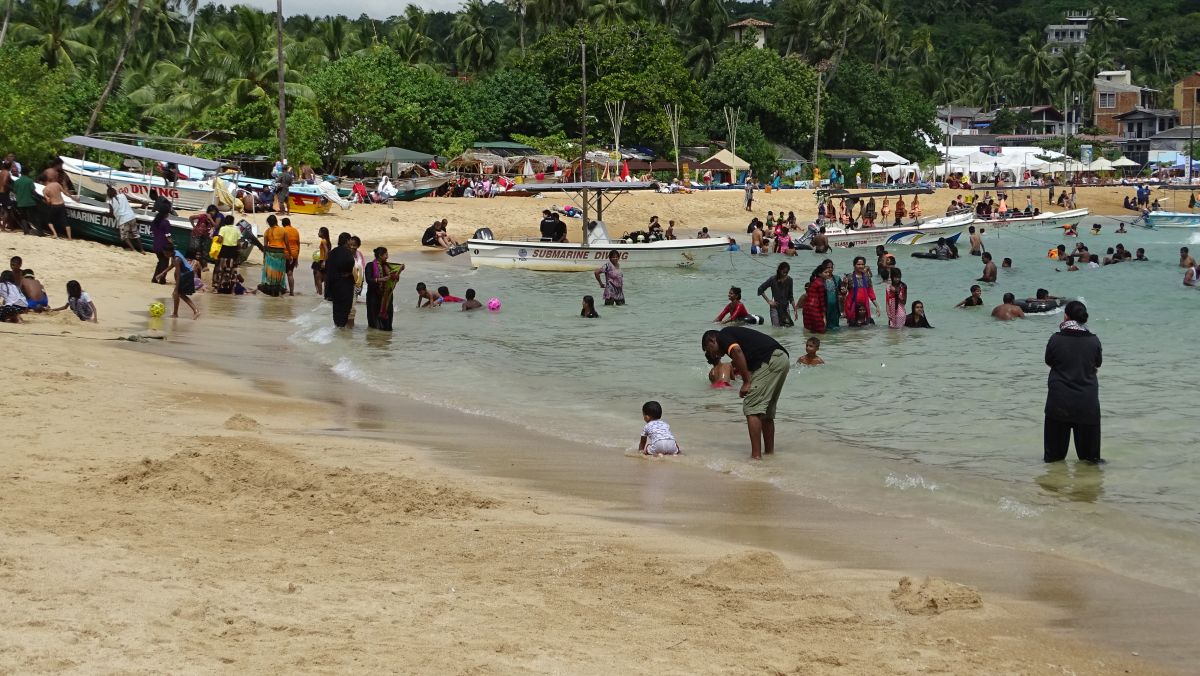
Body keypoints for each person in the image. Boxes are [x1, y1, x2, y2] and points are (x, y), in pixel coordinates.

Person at [701, 327, 790, 460]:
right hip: (781, 359)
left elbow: (736, 351)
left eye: (708, 349)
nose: (712, 354)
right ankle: (769, 454)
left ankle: (756, 457)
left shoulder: (723, 335)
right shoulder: (732, 336)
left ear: (712, 340)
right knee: (766, 412)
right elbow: (743, 354)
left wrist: (747, 382)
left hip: (770, 360)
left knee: (751, 408)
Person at [1044, 301, 1103, 464]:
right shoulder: (1093, 340)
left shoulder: (1055, 339)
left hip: (1058, 403)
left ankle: (1050, 489)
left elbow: (1049, 361)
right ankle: (1087, 489)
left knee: (1053, 460)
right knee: (1091, 462)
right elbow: (1097, 364)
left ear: (1066, 316)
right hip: (1087, 404)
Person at [365, 247, 402, 330]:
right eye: (386, 254)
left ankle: (385, 339)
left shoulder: (388, 266)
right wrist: (380, 279)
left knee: (387, 324)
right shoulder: (370, 265)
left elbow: (393, 278)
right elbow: (368, 280)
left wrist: (396, 275)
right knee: (374, 322)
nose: (387, 257)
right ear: (380, 255)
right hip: (373, 297)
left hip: (387, 297)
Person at [325, 232, 356, 327]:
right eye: (350, 240)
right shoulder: (347, 253)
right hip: (345, 284)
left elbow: (328, 269)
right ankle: (342, 331)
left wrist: (328, 290)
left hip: (334, 284)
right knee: (345, 308)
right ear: (347, 241)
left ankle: (338, 329)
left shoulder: (332, 253)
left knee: (337, 308)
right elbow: (350, 263)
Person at [161, 247, 199, 319]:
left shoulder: (177, 259)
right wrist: (163, 273)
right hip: (186, 274)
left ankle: (195, 311)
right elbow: (172, 265)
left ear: (170, 252)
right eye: (164, 253)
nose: (165, 255)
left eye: (166, 253)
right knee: (178, 294)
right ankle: (175, 313)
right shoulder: (175, 253)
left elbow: (178, 275)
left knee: (179, 294)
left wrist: (176, 288)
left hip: (186, 275)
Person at [258, 214, 288, 296]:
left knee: (269, 271)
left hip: (270, 253)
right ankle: (278, 287)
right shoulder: (283, 230)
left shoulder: (267, 231)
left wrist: (264, 256)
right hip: (280, 253)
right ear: (276, 221)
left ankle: (269, 287)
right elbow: (287, 243)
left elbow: (265, 246)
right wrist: (289, 254)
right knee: (279, 271)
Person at [757, 262, 795, 327]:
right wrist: (769, 301)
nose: (785, 274)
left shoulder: (790, 280)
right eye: (784, 272)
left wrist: (795, 309)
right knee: (776, 328)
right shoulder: (773, 279)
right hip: (774, 307)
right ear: (780, 270)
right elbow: (760, 289)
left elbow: (791, 296)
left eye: (787, 272)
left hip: (785, 308)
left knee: (788, 328)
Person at [109, 186, 144, 254]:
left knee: (125, 237)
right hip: (131, 216)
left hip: (123, 219)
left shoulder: (110, 201)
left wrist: (107, 213)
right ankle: (142, 250)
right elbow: (133, 199)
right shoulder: (122, 195)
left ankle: (133, 249)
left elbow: (111, 213)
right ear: (115, 192)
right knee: (136, 234)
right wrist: (141, 202)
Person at [843, 256, 879, 321]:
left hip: (864, 307)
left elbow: (871, 293)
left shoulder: (867, 277)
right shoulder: (849, 277)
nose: (861, 266)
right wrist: (844, 284)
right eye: (858, 264)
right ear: (854, 265)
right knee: (853, 328)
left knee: (865, 328)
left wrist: (877, 306)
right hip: (851, 306)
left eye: (862, 264)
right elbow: (843, 293)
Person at [212, 215, 241, 294]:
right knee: (231, 270)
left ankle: (216, 288)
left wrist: (215, 240)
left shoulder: (223, 228)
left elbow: (220, 239)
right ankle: (231, 290)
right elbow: (238, 243)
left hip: (224, 250)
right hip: (233, 251)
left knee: (219, 270)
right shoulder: (237, 229)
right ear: (232, 222)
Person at [149, 198, 174, 283]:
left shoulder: (155, 221)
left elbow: (152, 233)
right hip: (164, 246)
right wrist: (173, 244)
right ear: (167, 213)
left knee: (160, 261)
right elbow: (168, 236)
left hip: (156, 244)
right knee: (165, 263)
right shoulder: (166, 223)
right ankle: (162, 279)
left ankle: (155, 278)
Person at [281, 217, 301, 296]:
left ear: (283, 224)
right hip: (295, 254)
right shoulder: (296, 231)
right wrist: (297, 259)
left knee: (281, 273)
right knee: (290, 273)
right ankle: (292, 292)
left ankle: (281, 290)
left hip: (285, 254)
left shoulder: (283, 230)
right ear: (289, 223)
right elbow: (298, 244)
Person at [313, 226, 331, 295]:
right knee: (325, 279)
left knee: (318, 279)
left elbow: (326, 251)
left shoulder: (323, 241)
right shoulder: (328, 241)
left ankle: (319, 294)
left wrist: (324, 262)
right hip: (327, 261)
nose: (318, 233)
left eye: (319, 232)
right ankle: (325, 294)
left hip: (322, 260)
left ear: (323, 233)